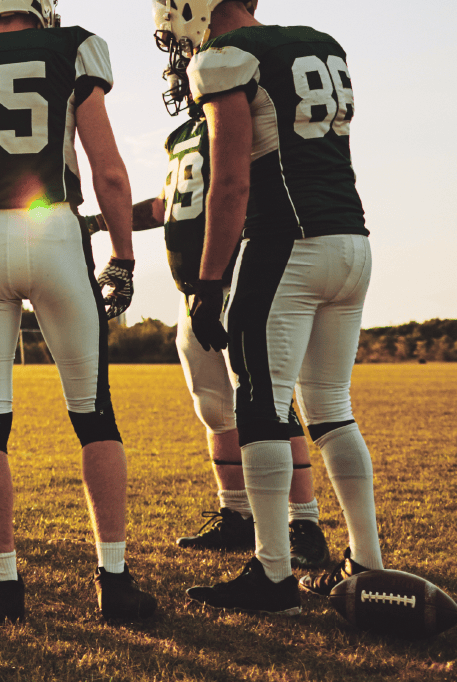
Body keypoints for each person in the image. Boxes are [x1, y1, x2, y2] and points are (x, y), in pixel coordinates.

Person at [0, 0, 156, 624]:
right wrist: (125, 255)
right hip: (56, 229)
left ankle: (4, 583)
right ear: (42, 9)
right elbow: (106, 165)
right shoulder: (70, 46)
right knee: (93, 412)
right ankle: (114, 579)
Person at [152, 0, 383, 614]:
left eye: (174, 29)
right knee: (331, 408)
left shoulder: (226, 58)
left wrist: (207, 284)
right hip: (352, 241)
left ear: (192, 8)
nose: (179, 45)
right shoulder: (321, 44)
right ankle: (365, 560)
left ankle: (274, 572)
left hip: (286, 244)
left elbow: (231, 181)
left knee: (259, 404)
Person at [82, 63, 330, 569]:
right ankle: (235, 514)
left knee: (269, 399)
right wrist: (97, 220)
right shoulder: (183, 136)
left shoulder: (241, 119)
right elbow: (169, 206)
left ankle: (303, 521)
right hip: (191, 286)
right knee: (215, 406)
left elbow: (241, 188)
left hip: (239, 274)